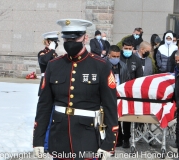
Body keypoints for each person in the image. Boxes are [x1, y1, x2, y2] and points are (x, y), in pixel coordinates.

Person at [33, 19, 118, 160]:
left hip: (88, 138)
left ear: (85, 37)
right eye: (67, 38)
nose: (70, 41)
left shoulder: (101, 66)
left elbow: (110, 107)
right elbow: (44, 106)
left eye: (75, 37)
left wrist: (109, 143)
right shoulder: (54, 65)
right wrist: (38, 140)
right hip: (59, 138)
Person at [118, 38, 143, 148]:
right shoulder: (118, 58)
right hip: (117, 91)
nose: (127, 50)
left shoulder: (136, 60)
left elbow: (139, 78)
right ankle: (118, 138)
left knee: (127, 116)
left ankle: (126, 138)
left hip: (129, 92)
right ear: (122, 48)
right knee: (116, 115)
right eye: (125, 48)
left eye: (129, 48)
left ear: (133, 49)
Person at [37, 31, 59, 96]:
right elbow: (45, 61)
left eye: (55, 42)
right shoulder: (42, 53)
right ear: (47, 42)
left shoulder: (54, 54)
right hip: (46, 80)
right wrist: (52, 50)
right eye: (53, 42)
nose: (55, 44)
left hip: (54, 80)